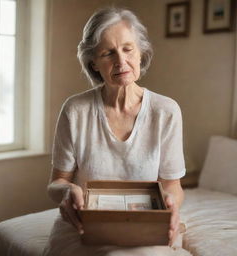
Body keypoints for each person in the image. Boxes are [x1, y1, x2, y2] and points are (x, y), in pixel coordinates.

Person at [43, 7, 190, 256]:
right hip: (84, 225)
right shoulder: (75, 110)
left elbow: (172, 185)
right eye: (108, 53)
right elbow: (57, 182)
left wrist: (171, 204)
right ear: (94, 63)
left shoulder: (166, 111)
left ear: (141, 53)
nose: (121, 61)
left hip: (146, 226)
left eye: (128, 49)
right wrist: (68, 191)